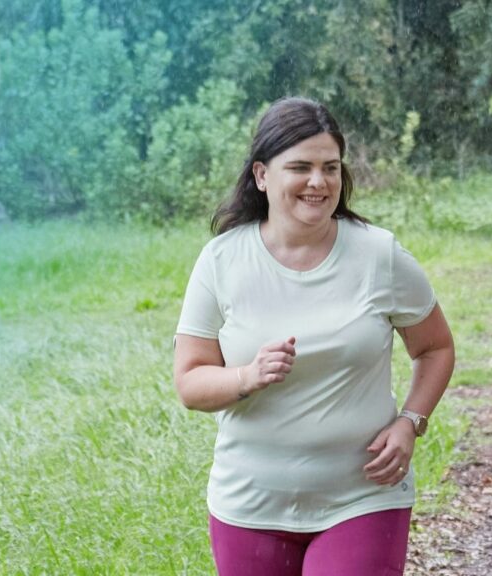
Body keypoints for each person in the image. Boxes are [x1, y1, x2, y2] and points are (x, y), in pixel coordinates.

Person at [173, 97, 454, 576]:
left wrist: (411, 421)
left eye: (331, 167)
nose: (318, 182)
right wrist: (248, 374)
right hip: (249, 503)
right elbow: (190, 384)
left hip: (363, 495)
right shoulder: (221, 260)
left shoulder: (378, 254)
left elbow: (435, 347)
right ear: (262, 175)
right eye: (300, 167)